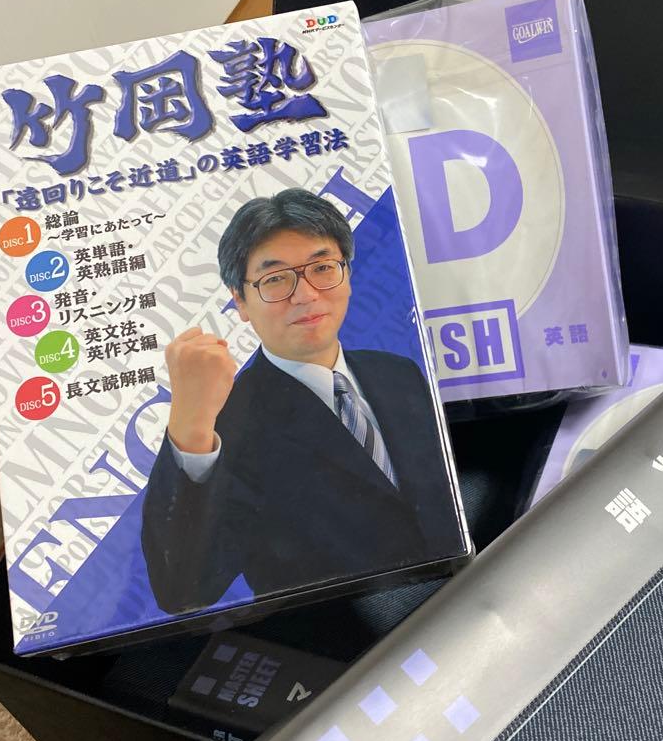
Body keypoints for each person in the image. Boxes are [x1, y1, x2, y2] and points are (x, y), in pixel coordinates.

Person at [140, 189, 462, 615]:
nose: (306, 294)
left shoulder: (398, 373)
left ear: (347, 273)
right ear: (240, 300)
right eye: (276, 279)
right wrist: (190, 425)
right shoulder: (226, 422)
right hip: (354, 636)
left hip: (463, 601)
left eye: (323, 268)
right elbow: (182, 590)